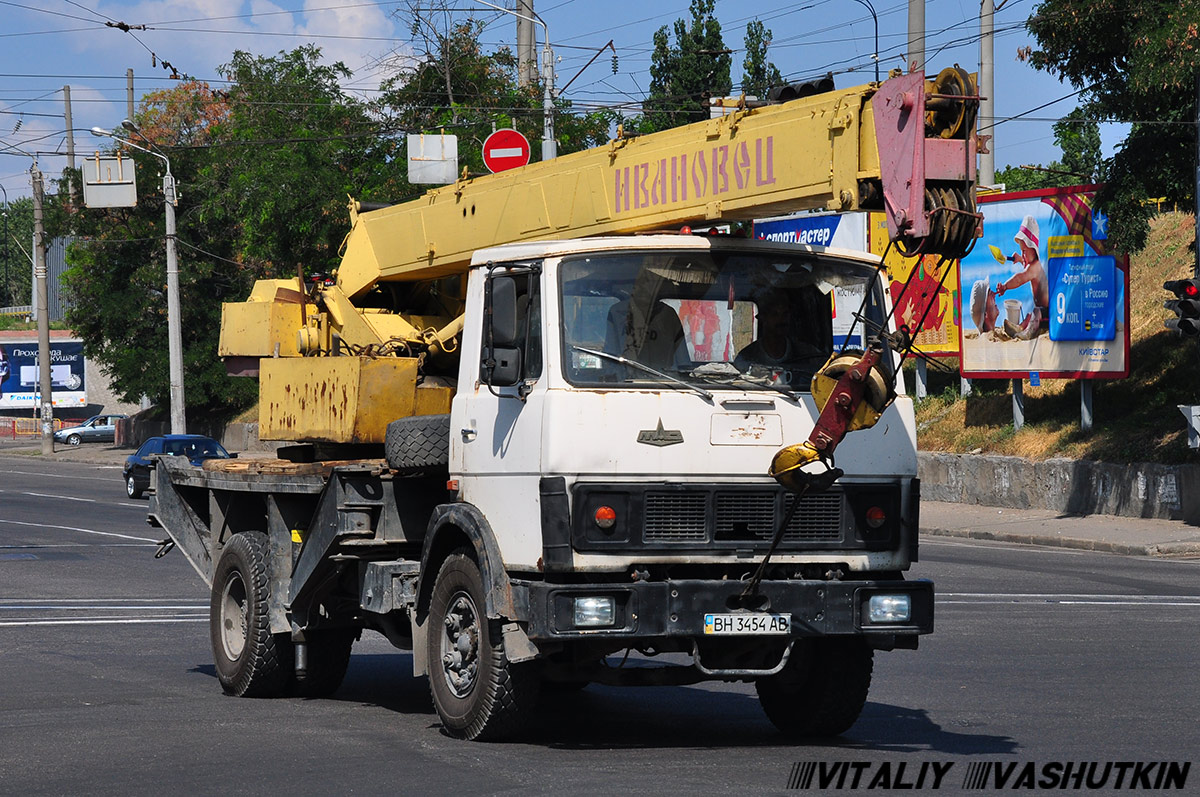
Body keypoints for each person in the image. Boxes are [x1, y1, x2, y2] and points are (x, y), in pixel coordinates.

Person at [996, 215, 1048, 340]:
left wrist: (1005, 286)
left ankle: (1027, 333)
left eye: (1024, 251)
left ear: (1033, 249)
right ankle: (1020, 328)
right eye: (1021, 251)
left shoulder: (1035, 268)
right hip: (1042, 312)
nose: (1022, 254)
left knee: (1036, 313)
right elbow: (1026, 264)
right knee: (1030, 316)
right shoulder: (1031, 264)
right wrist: (1020, 259)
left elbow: (1020, 278)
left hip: (1048, 313)